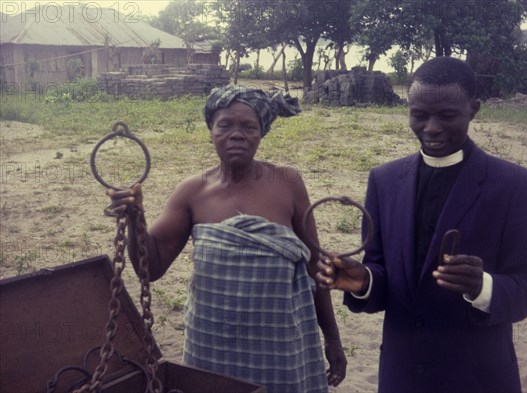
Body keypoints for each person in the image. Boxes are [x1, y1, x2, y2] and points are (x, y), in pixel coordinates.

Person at [316, 57, 527, 393]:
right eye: (419, 115)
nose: (432, 127)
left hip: (476, 378)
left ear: (474, 109)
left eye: (448, 115)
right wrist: (364, 280)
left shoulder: (516, 185)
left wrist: (482, 287)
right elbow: (382, 271)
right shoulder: (385, 180)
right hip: (401, 375)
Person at [108, 85, 347, 392]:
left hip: (280, 346)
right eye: (225, 125)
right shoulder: (192, 191)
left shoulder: (288, 183)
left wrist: (333, 339)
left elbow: (317, 267)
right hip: (212, 347)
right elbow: (150, 268)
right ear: (211, 129)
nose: (237, 135)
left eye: (249, 126)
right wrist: (134, 218)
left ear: (262, 132)